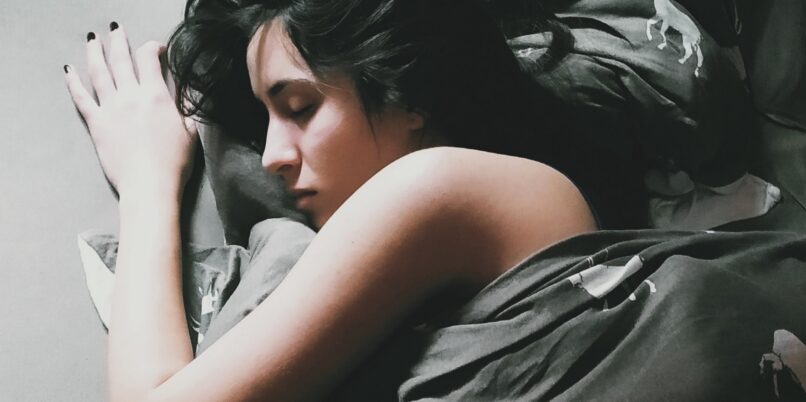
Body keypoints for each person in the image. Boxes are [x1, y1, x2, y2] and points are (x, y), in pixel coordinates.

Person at [63, 0, 601, 400]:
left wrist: (148, 180)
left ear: (411, 92)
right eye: (265, 121)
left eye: (299, 107)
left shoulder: (442, 187)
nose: (272, 156)